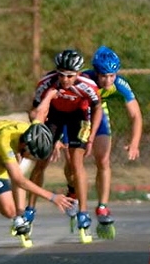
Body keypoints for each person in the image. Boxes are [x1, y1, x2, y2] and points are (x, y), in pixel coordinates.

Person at [0, 88, 76, 247]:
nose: (33, 159)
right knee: (9, 210)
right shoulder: (4, 143)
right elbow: (19, 180)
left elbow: (41, 112)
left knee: (16, 168)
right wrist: (52, 197)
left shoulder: (33, 129)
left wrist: (50, 94)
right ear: (24, 145)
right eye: (33, 155)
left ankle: (21, 216)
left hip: (9, 143)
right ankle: (16, 215)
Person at [64, 45, 143, 239]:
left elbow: (136, 116)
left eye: (112, 76)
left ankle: (102, 206)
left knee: (104, 160)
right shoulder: (83, 79)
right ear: (96, 73)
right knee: (73, 164)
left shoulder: (120, 84)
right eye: (103, 76)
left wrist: (134, 142)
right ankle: (72, 190)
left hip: (98, 119)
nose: (108, 80)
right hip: (76, 117)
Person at [26, 49, 103, 244]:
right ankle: (29, 211)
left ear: (78, 73)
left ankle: (83, 212)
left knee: (76, 163)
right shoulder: (46, 83)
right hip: (54, 117)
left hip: (78, 115)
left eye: (70, 75)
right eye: (61, 74)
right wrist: (47, 139)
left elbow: (97, 109)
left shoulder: (87, 86)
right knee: (41, 162)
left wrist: (91, 137)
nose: (65, 79)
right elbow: (35, 111)